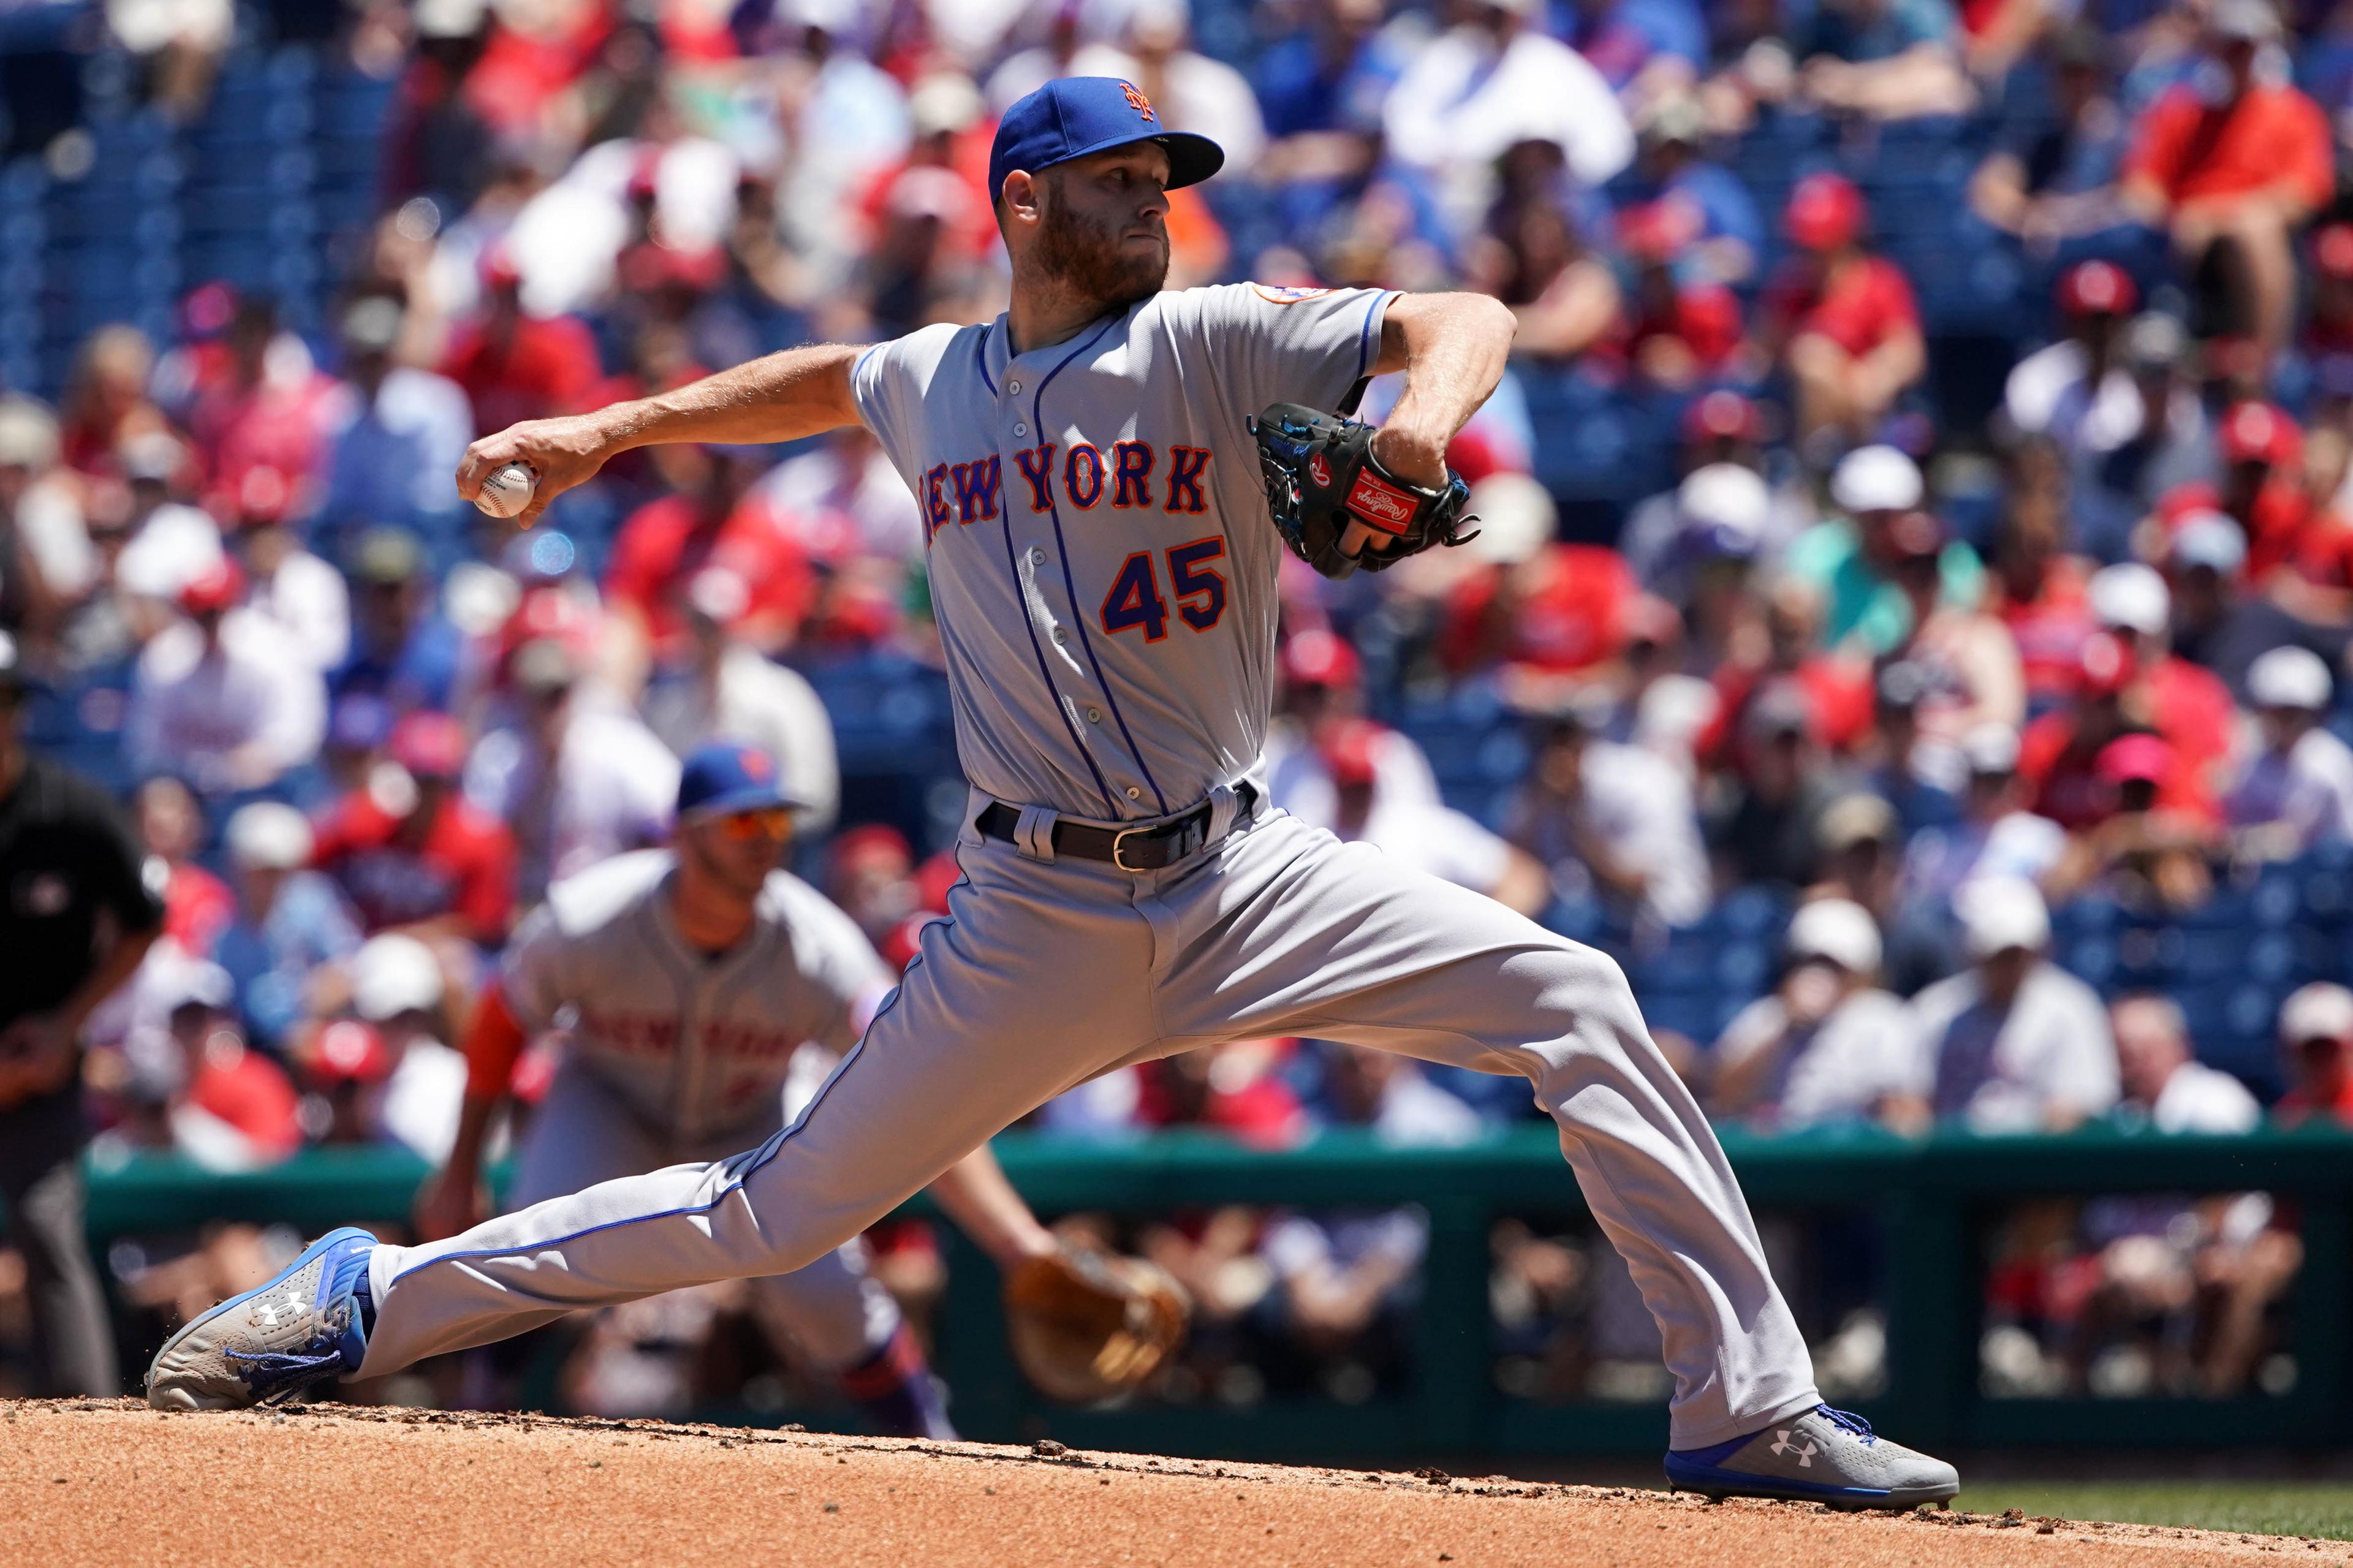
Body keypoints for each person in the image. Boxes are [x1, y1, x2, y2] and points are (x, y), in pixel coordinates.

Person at [151, 76, 1956, 1509]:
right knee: (777, 1214)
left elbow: (1458, 311)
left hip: (1250, 874)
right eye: (1115, 181)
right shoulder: (934, 378)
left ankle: (1749, 1409)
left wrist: (1427, 416)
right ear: (1022, 202)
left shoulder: (1214, 339)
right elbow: (821, 382)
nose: (1151, 204)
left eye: (1160, 179)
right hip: (1036, 911)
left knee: (1578, 996)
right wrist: (609, 434)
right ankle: (368, 1295)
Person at [411, 741, 1088, 1437]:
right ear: (683, 834)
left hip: (752, 1116)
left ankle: (928, 1438)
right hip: (610, 1100)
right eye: (741, 825)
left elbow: (917, 1089)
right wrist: (461, 1168)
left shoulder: (817, 945)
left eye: (777, 824)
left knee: (825, 1292)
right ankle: (474, 1434)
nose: (764, 843)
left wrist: (1019, 1245)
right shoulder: (590, 917)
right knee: (533, 1241)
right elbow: (501, 1024)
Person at [0, 631, 165, 1394]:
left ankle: (87, 1427)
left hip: (42, 1061)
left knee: (45, 1225)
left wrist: (69, 1024)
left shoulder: (69, 810)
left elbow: (143, 919)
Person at [1898, 876, 2118, 1134]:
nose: (2011, 965)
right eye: (2000, 955)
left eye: (2019, 954)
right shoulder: (1935, 1010)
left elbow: (2078, 1107)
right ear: (1971, 953)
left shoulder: (2072, 1008)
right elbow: (1908, 1103)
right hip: (1951, 1163)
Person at [1708, 898, 1917, 1129]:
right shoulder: (1768, 1016)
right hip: (1777, 1157)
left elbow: (1906, 1117)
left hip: (1853, 1157)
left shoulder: (1881, 1019)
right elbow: (1722, 1094)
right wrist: (1786, 1028)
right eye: (1809, 961)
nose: (1819, 974)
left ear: (1861, 973)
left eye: (1833, 965)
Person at [2225, 644, 2353, 858]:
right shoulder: (2249, 763)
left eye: (2295, 713)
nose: (2288, 722)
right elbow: (2234, 830)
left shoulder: (2333, 765)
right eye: (2279, 712)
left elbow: (2346, 837)